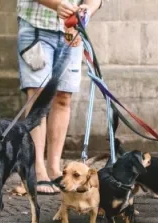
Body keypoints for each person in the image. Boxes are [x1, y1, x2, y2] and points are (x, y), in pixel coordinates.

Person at [17, 0, 102, 195]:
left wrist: (87, 10)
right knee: (38, 96)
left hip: (72, 30)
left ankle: (54, 168)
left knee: (63, 97)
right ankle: (37, 169)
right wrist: (56, 5)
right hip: (36, 27)